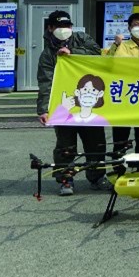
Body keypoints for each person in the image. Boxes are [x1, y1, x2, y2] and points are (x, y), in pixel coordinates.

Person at [36, 10, 106, 196]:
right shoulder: (47, 55)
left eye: (67, 26)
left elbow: (97, 53)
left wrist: (72, 52)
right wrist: (43, 110)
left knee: (96, 143)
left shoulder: (81, 38)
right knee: (65, 146)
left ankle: (97, 176)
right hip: (64, 105)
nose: (64, 29)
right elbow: (46, 83)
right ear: (50, 28)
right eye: (59, 26)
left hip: (89, 102)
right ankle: (65, 179)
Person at [109, 12, 139, 155]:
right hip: (123, 97)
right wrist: (115, 45)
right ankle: (118, 169)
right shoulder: (121, 46)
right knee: (120, 138)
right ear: (129, 28)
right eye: (136, 25)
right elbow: (109, 64)